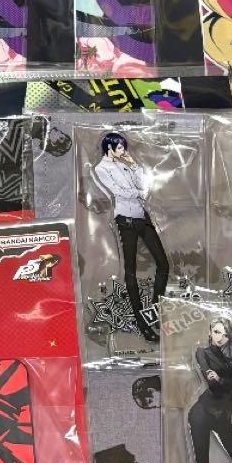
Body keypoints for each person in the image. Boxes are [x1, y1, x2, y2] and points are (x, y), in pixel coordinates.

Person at [93, 132, 169, 343]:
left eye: (124, 147)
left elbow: (143, 184)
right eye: (120, 147)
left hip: (141, 217)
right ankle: (142, 323)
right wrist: (137, 191)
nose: (123, 151)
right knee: (130, 271)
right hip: (125, 221)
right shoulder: (101, 168)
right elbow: (119, 191)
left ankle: (154, 310)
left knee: (163, 263)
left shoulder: (123, 164)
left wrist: (134, 165)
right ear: (109, 148)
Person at [187, 318, 232, 463]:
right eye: (216, 332)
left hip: (223, 414)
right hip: (202, 413)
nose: (219, 338)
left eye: (225, 335)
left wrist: (226, 382)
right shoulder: (202, 353)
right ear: (209, 332)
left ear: (229, 337)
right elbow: (213, 386)